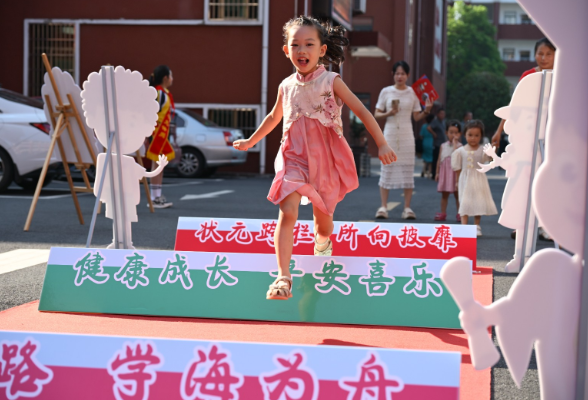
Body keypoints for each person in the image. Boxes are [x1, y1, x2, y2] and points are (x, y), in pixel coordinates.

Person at [232, 16, 396, 301]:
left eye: (309, 44)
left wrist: (381, 143)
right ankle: (283, 277)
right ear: (286, 50)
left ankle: (322, 244)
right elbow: (273, 118)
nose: (301, 50)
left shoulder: (331, 81)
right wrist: (251, 140)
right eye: (295, 45)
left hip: (326, 161)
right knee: (288, 211)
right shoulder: (286, 86)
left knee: (323, 226)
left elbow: (362, 111)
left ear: (322, 50)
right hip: (293, 157)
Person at [490, 37, 556, 241]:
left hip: (551, 136)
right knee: (523, 180)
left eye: (548, 54)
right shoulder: (528, 76)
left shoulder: (562, 76)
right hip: (526, 137)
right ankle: (521, 224)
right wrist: (499, 131)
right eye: (540, 53)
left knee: (547, 181)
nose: (543, 58)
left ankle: (546, 225)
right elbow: (514, 106)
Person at [374, 61, 433, 220]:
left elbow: (416, 116)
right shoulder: (386, 91)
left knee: (408, 171)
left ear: (407, 75)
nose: (399, 76)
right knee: (386, 168)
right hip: (390, 133)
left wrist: (426, 111)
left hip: (407, 134)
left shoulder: (413, 92)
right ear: (393, 75)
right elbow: (376, 114)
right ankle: (383, 207)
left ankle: (407, 208)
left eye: (402, 73)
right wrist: (389, 113)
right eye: (397, 73)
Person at [452, 120, 497, 236]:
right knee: (464, 202)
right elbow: (457, 168)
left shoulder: (482, 150)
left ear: (481, 136)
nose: (473, 138)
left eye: (477, 135)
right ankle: (464, 227)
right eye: (470, 135)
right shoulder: (460, 151)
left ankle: (476, 226)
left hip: (479, 178)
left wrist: (493, 149)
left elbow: (488, 159)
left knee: (478, 201)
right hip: (465, 180)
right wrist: (457, 182)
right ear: (465, 134)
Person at [146, 65, 175, 209]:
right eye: (171, 76)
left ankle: (157, 195)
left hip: (162, 135)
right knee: (157, 165)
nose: (172, 79)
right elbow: (149, 112)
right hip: (156, 134)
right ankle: (154, 197)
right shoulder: (158, 94)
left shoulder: (164, 93)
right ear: (165, 78)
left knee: (160, 165)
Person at [435, 120, 462, 221]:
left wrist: (455, 143)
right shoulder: (443, 145)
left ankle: (460, 213)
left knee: (457, 194)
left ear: (459, 134)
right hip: (445, 173)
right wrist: (437, 172)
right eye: (451, 132)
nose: (453, 135)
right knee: (444, 194)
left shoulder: (460, 146)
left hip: (455, 173)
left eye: (456, 133)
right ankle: (443, 213)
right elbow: (439, 159)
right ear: (446, 133)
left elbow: (456, 156)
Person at [427, 108, 446, 180]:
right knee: (436, 159)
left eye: (443, 114)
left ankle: (440, 173)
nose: (442, 115)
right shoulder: (435, 121)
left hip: (443, 143)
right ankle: (434, 173)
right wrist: (434, 133)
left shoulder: (443, 121)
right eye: (441, 113)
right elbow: (429, 128)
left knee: (442, 159)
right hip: (437, 143)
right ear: (438, 114)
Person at [420, 114, 435, 178]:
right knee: (431, 159)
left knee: (425, 158)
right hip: (431, 142)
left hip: (425, 142)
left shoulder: (423, 126)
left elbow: (421, 135)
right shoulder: (433, 127)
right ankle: (429, 172)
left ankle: (423, 170)